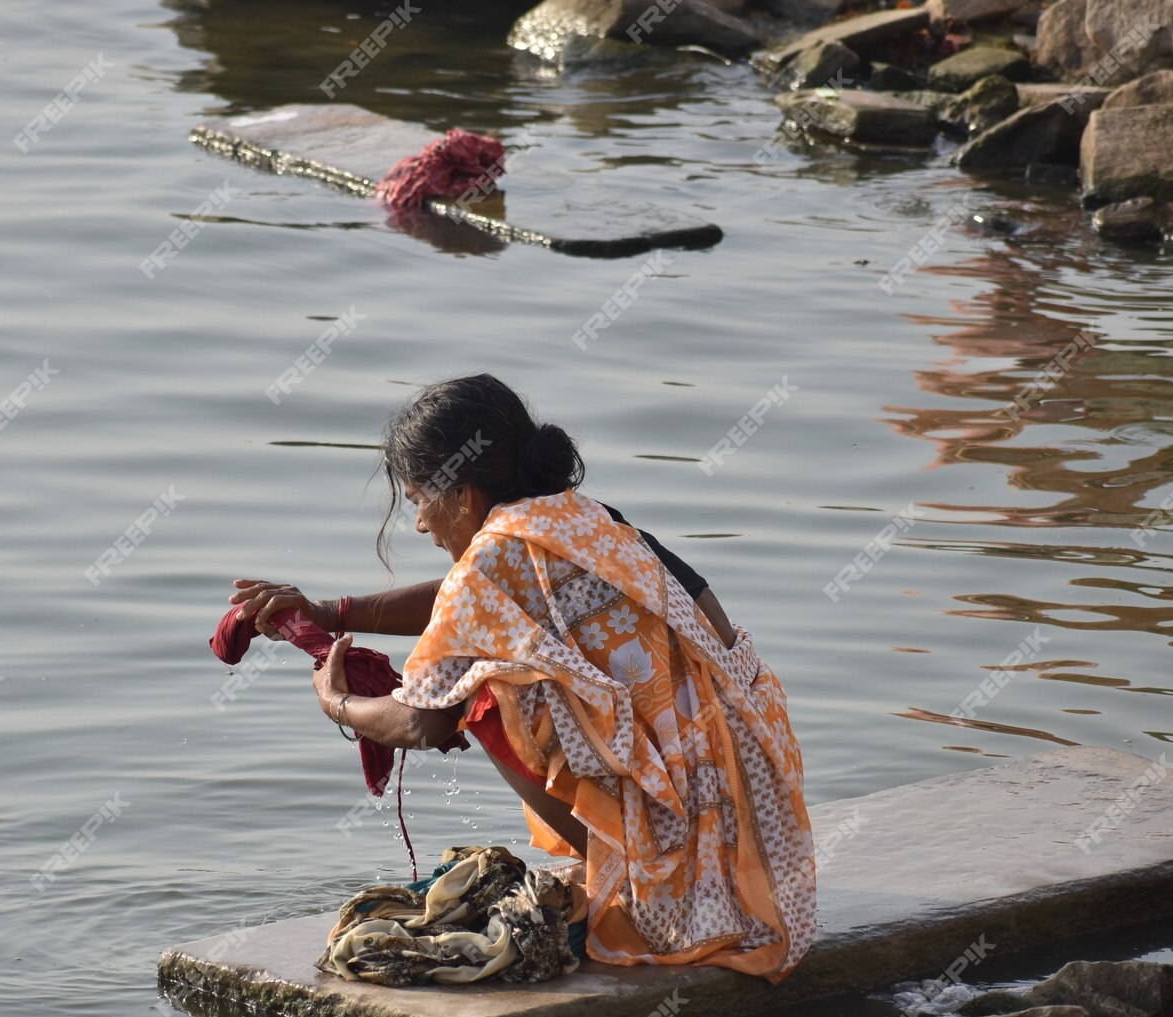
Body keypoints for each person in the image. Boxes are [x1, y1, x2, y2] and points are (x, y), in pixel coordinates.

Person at [230, 374, 816, 981]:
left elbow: (423, 722)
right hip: (756, 826)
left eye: (419, 503)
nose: (421, 527)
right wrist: (333, 614)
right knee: (505, 661)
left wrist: (338, 704)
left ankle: (633, 874)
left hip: (682, 857)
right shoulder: (591, 522)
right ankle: (643, 854)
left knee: (482, 692)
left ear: (461, 495)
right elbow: (475, 599)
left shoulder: (492, 563)